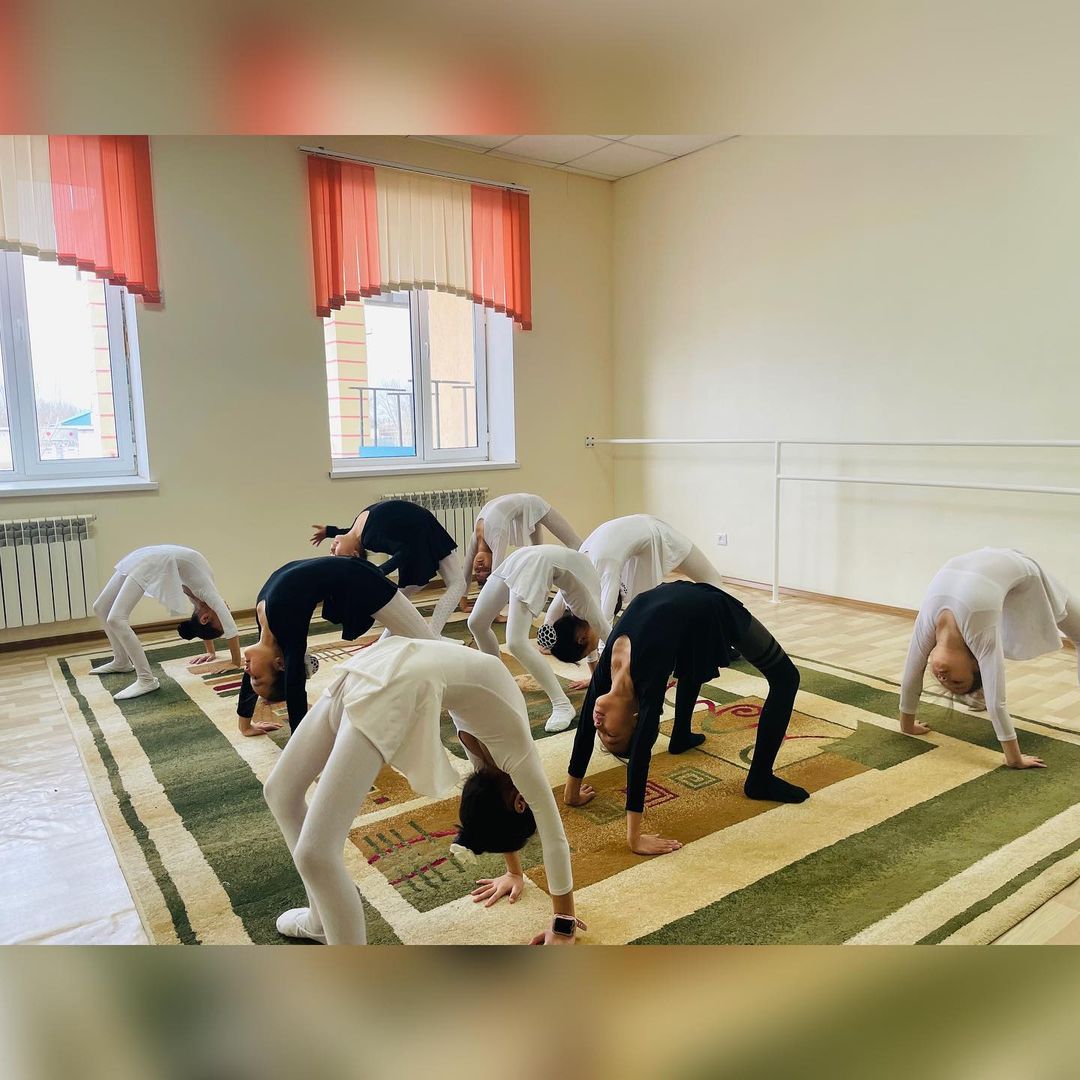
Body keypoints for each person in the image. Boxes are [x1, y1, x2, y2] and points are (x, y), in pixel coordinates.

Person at [263, 637, 584, 945]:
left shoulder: (492, 770)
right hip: (382, 668)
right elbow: (554, 837)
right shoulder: (519, 756)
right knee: (281, 793)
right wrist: (563, 925)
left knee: (315, 854)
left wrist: (514, 874)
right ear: (520, 802)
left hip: (397, 679)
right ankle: (322, 921)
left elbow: (495, 824)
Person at [565, 581, 808, 856]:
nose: (598, 725)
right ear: (636, 718)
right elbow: (641, 751)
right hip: (706, 608)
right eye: (610, 734)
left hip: (693, 602)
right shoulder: (647, 680)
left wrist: (572, 792)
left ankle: (692, 740)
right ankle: (755, 777)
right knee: (786, 677)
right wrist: (635, 837)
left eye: (603, 735)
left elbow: (585, 726)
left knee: (702, 658)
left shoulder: (607, 675)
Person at [899, 547, 1080, 770]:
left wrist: (907, 725)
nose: (943, 677)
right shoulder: (980, 633)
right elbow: (998, 702)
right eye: (956, 681)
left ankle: (975, 694)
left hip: (1020, 572)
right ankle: (976, 694)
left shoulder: (929, 624)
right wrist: (1014, 758)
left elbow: (911, 674)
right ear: (976, 663)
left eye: (943, 682)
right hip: (1011, 575)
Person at [238, 557, 435, 737]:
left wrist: (247, 726)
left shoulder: (275, 625)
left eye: (253, 678)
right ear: (280, 664)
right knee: (427, 645)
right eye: (256, 677)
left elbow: (290, 681)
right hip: (360, 582)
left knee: (430, 646)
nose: (247, 671)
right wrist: (249, 726)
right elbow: (293, 681)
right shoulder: (278, 629)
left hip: (360, 578)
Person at [468, 545, 611, 733]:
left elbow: (557, 618)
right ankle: (562, 704)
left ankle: (499, 684)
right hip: (534, 561)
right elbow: (614, 641)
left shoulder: (578, 612)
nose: (594, 648)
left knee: (477, 624)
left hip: (526, 555)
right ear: (582, 638)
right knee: (514, 641)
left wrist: (594, 675)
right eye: (590, 649)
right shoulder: (587, 609)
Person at [90, 545, 242, 701]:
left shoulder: (204, 596)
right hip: (148, 556)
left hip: (155, 561)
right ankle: (121, 660)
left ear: (205, 618)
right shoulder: (204, 596)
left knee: (116, 619)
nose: (227, 612)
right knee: (100, 608)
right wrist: (214, 653)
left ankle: (146, 679)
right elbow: (208, 626)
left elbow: (230, 628)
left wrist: (234, 662)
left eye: (222, 617)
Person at [310, 499, 465, 635]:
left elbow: (348, 532)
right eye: (336, 554)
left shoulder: (357, 532)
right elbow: (404, 551)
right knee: (458, 584)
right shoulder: (370, 538)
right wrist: (378, 572)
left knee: (400, 597)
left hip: (418, 528)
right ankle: (431, 635)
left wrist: (329, 531)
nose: (332, 550)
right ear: (354, 554)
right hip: (421, 531)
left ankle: (411, 637)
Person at [545, 513, 724, 630]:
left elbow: (605, 620)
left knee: (712, 579)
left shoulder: (606, 569)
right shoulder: (580, 567)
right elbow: (562, 595)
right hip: (638, 533)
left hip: (657, 532)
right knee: (645, 609)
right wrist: (546, 637)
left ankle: (725, 633)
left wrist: (601, 662)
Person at [459, 493, 583, 605]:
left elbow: (469, 570)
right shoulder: (496, 536)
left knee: (576, 544)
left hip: (534, 504)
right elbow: (497, 576)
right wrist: (493, 611)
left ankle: (590, 573)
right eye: (485, 569)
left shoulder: (480, 537)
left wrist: (463, 602)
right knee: (538, 559)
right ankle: (538, 597)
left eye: (478, 571)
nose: (480, 566)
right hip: (525, 509)